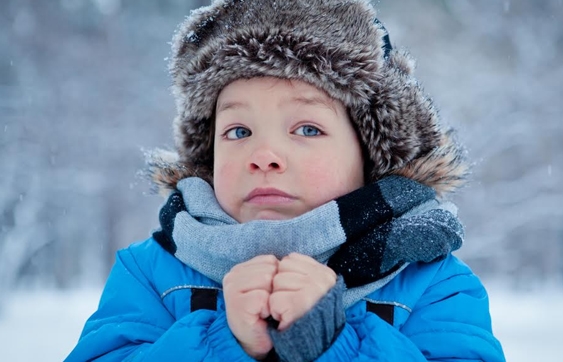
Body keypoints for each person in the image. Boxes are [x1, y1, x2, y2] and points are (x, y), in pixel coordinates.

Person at [67, 0, 505, 361]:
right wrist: (224, 343)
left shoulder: (430, 280)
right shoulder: (152, 273)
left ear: (370, 154)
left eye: (307, 129)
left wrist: (335, 345)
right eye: (238, 132)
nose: (263, 156)